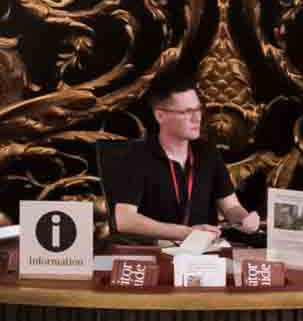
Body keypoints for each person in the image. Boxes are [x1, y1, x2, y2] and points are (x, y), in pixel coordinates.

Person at [105, 73, 261, 242]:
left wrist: (244, 218)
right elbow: (125, 220)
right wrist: (185, 233)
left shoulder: (207, 152)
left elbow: (231, 206)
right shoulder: (137, 155)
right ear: (160, 116)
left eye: (197, 109)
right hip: (153, 251)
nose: (197, 118)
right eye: (187, 112)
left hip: (203, 253)